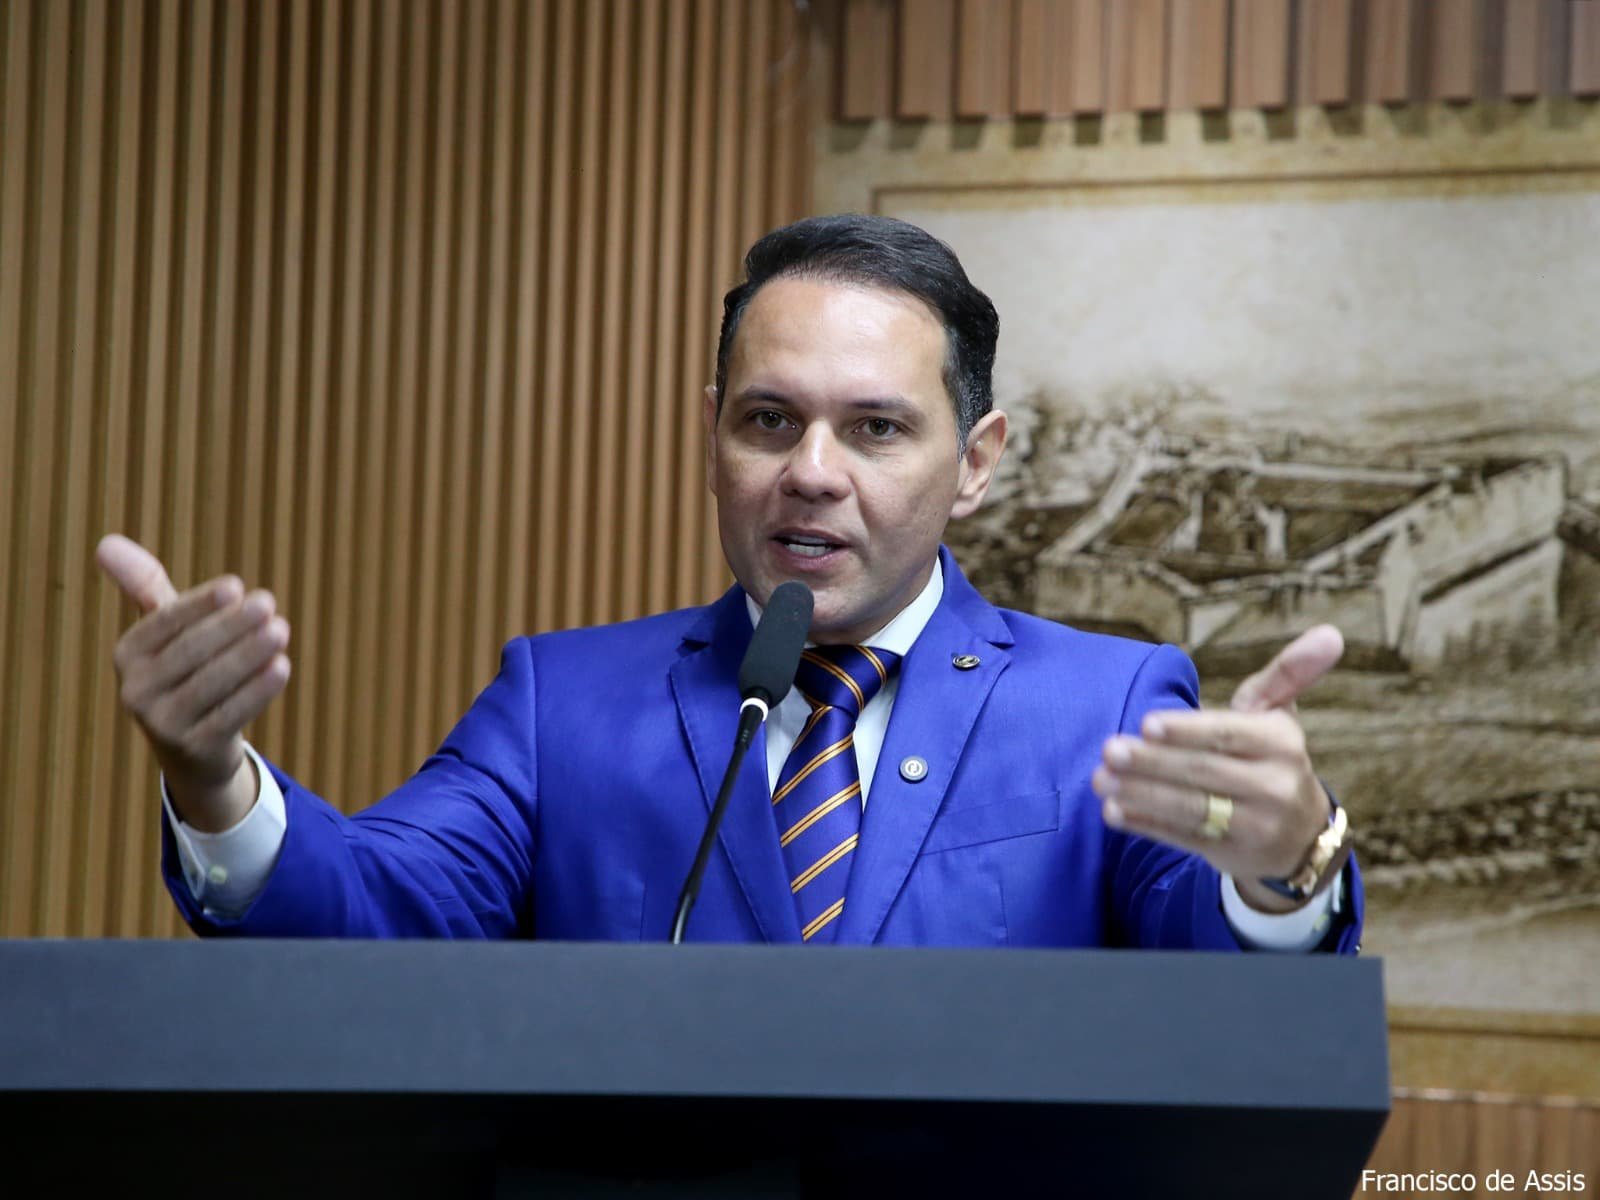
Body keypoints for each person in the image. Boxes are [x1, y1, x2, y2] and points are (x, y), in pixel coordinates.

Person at [99, 214, 1359, 950]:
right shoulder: (559, 703)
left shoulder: (1108, 704)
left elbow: (1213, 975)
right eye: (768, 420)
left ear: (974, 463)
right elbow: (378, 913)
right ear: (713, 435)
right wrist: (211, 779)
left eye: (874, 429)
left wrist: (1279, 869)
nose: (809, 473)